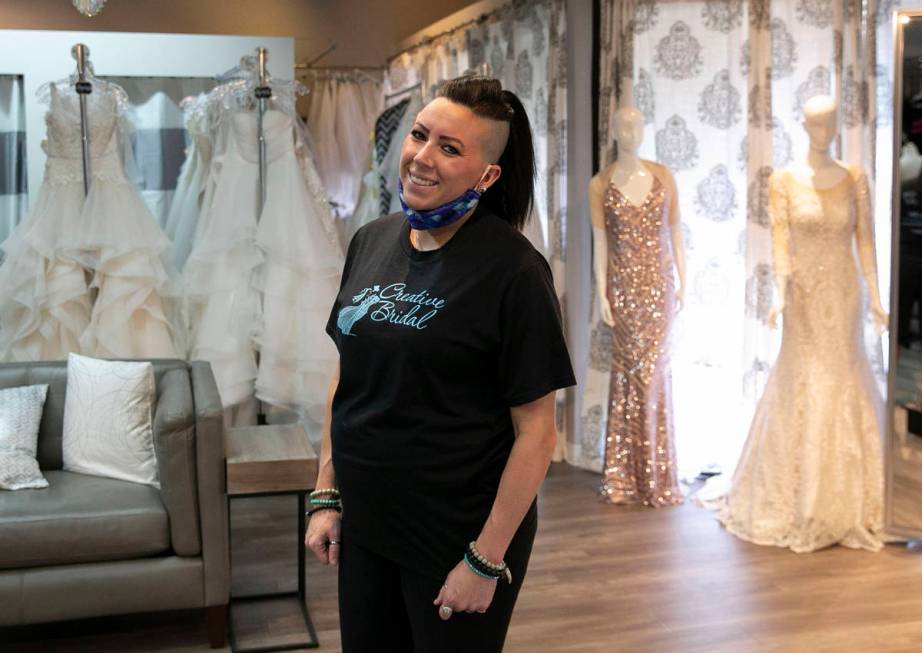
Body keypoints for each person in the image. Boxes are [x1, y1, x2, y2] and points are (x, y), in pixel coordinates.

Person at [304, 75, 576, 653]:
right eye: (419, 136)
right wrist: (326, 492)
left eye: (449, 148)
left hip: (457, 535)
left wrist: (486, 558)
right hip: (369, 522)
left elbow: (537, 432)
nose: (421, 159)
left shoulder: (515, 272)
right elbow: (345, 378)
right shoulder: (371, 240)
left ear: (487, 175)